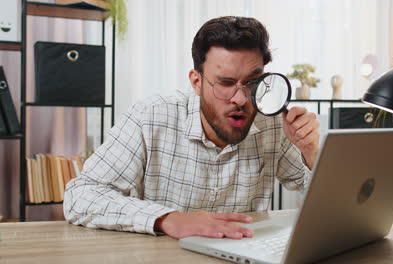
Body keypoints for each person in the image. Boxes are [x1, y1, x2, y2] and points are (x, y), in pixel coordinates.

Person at [64, 16, 320, 240]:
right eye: (226, 83)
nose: (241, 99)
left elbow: (331, 205)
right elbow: (81, 196)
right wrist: (169, 219)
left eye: (253, 83)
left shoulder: (273, 124)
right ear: (196, 82)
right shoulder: (150, 116)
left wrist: (312, 153)